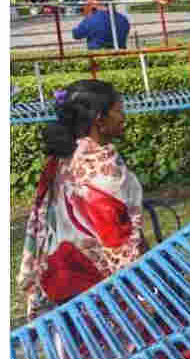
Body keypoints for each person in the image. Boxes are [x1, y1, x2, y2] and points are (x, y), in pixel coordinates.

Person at [18, 81, 144, 318]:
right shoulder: (103, 170)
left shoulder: (63, 157)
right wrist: (144, 290)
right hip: (99, 292)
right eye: (118, 110)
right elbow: (119, 245)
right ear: (99, 119)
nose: (123, 116)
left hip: (60, 282)